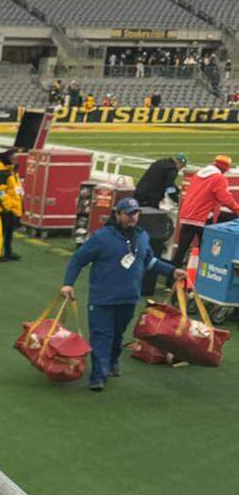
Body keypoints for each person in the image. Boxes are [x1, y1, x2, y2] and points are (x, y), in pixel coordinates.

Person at [61, 196, 181, 392]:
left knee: (117, 335)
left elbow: (149, 261)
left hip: (128, 298)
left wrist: (172, 271)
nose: (132, 218)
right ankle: (98, 376)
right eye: (127, 214)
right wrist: (68, 284)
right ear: (117, 214)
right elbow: (78, 260)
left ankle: (113, 361)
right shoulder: (101, 237)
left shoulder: (142, 237)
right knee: (102, 336)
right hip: (102, 299)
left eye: (135, 213)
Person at [173, 155, 237, 268]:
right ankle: (203, 276)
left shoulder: (199, 174)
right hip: (202, 218)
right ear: (225, 168)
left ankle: (171, 276)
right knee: (207, 251)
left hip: (187, 215)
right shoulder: (219, 178)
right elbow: (225, 198)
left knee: (181, 250)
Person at [0, 149, 23, 261]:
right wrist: (6, 206)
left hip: (11, 207)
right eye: (12, 157)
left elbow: (14, 188)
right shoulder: (2, 173)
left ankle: (8, 251)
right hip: (4, 208)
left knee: (9, 231)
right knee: (0, 232)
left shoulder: (11, 171)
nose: (15, 158)